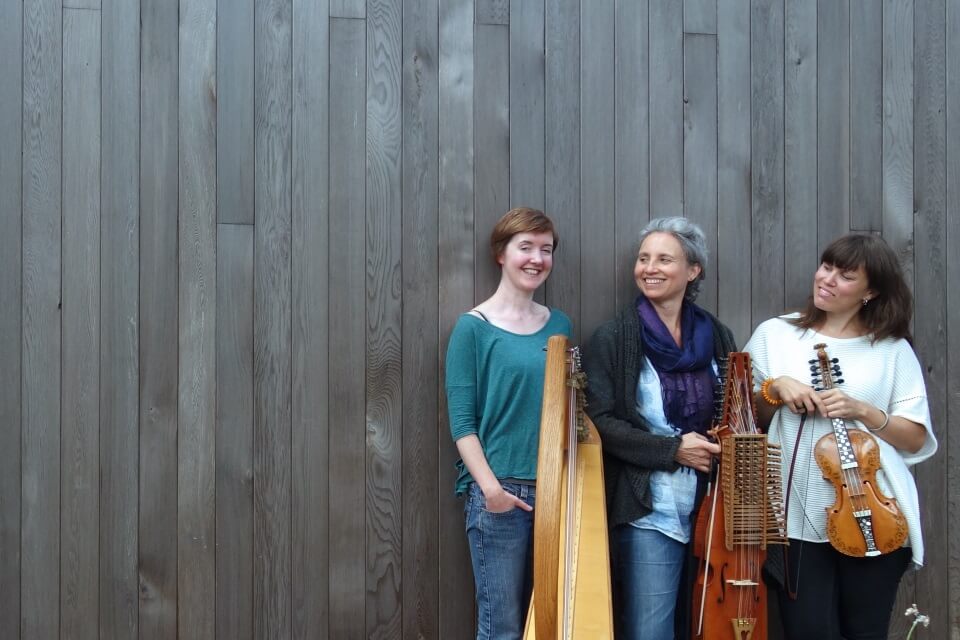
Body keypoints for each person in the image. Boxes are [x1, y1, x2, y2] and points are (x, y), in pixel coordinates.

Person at [744, 233, 938, 640]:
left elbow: (916, 438)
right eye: (826, 267)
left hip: (872, 514)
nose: (827, 279)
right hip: (796, 516)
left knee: (865, 632)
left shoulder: (891, 349)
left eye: (845, 275)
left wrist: (863, 410)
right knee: (807, 631)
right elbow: (745, 419)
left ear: (870, 292)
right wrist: (775, 388)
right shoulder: (774, 335)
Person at [583, 217, 734, 640]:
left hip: (712, 508)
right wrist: (672, 450)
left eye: (665, 259)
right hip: (650, 509)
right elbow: (600, 424)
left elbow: (734, 411)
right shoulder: (615, 337)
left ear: (693, 270)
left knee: (706, 628)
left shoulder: (717, 336)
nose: (649, 267)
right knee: (651, 632)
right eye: (643, 257)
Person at [445, 207, 572, 640]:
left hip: (558, 494)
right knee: (500, 627)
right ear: (501, 254)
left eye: (546, 249)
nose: (537, 258)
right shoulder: (473, 329)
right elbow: (463, 424)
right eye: (526, 247)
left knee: (555, 625)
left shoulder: (559, 325)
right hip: (501, 497)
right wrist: (492, 491)